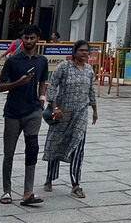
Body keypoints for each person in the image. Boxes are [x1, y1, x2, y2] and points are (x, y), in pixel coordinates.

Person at [0, 24, 48, 206]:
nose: (29, 41)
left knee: (32, 148)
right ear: (22, 39)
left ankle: (28, 192)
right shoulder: (13, 61)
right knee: (9, 152)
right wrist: (18, 82)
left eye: (32, 38)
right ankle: (7, 191)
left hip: (33, 110)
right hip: (13, 111)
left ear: (37, 40)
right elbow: (1, 86)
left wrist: (42, 99)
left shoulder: (41, 61)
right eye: (26, 38)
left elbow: (43, 81)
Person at [43, 39, 98, 199]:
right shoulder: (63, 67)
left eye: (86, 51)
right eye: (81, 50)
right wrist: (55, 107)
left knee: (78, 148)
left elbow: (91, 90)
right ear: (74, 52)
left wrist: (94, 109)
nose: (84, 53)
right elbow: (52, 86)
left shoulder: (89, 70)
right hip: (62, 114)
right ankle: (50, 179)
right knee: (56, 144)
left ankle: (76, 184)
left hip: (80, 115)